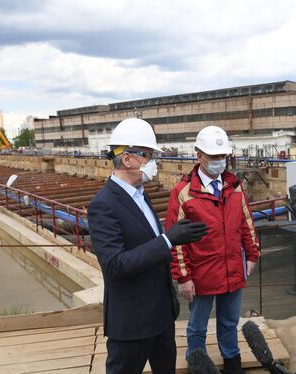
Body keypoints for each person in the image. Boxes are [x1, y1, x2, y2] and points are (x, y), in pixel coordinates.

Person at [88, 118, 208, 374]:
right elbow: (115, 265)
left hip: (162, 316)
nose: (154, 162)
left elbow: (149, 247)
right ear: (128, 159)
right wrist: (167, 240)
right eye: (148, 155)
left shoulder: (143, 195)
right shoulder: (104, 204)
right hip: (132, 323)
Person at [166, 125, 260, 374]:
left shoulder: (234, 186)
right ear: (199, 155)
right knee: (197, 326)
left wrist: (252, 254)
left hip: (232, 267)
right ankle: (197, 362)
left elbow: (246, 222)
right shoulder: (183, 193)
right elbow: (176, 241)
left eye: (223, 156)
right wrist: (184, 277)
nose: (220, 162)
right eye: (214, 156)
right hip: (201, 271)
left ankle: (232, 362)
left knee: (229, 322)